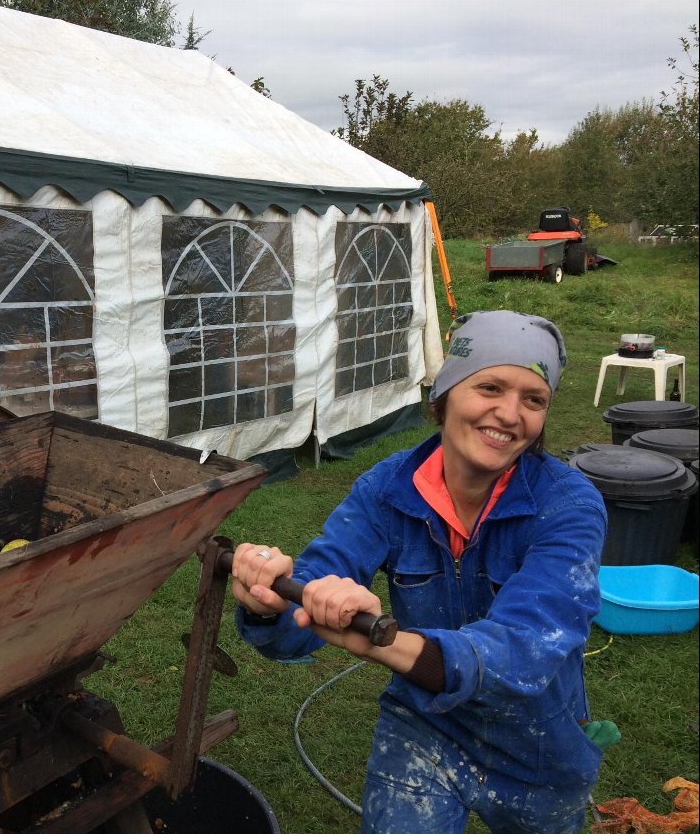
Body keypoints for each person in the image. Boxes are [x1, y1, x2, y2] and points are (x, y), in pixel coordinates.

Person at [231, 310, 609, 834]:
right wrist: (269, 601)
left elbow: (528, 646)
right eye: (491, 386)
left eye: (533, 399)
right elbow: (307, 606)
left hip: (539, 741)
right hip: (425, 724)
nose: (509, 414)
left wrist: (384, 644)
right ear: (445, 394)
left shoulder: (568, 506)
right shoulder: (386, 490)